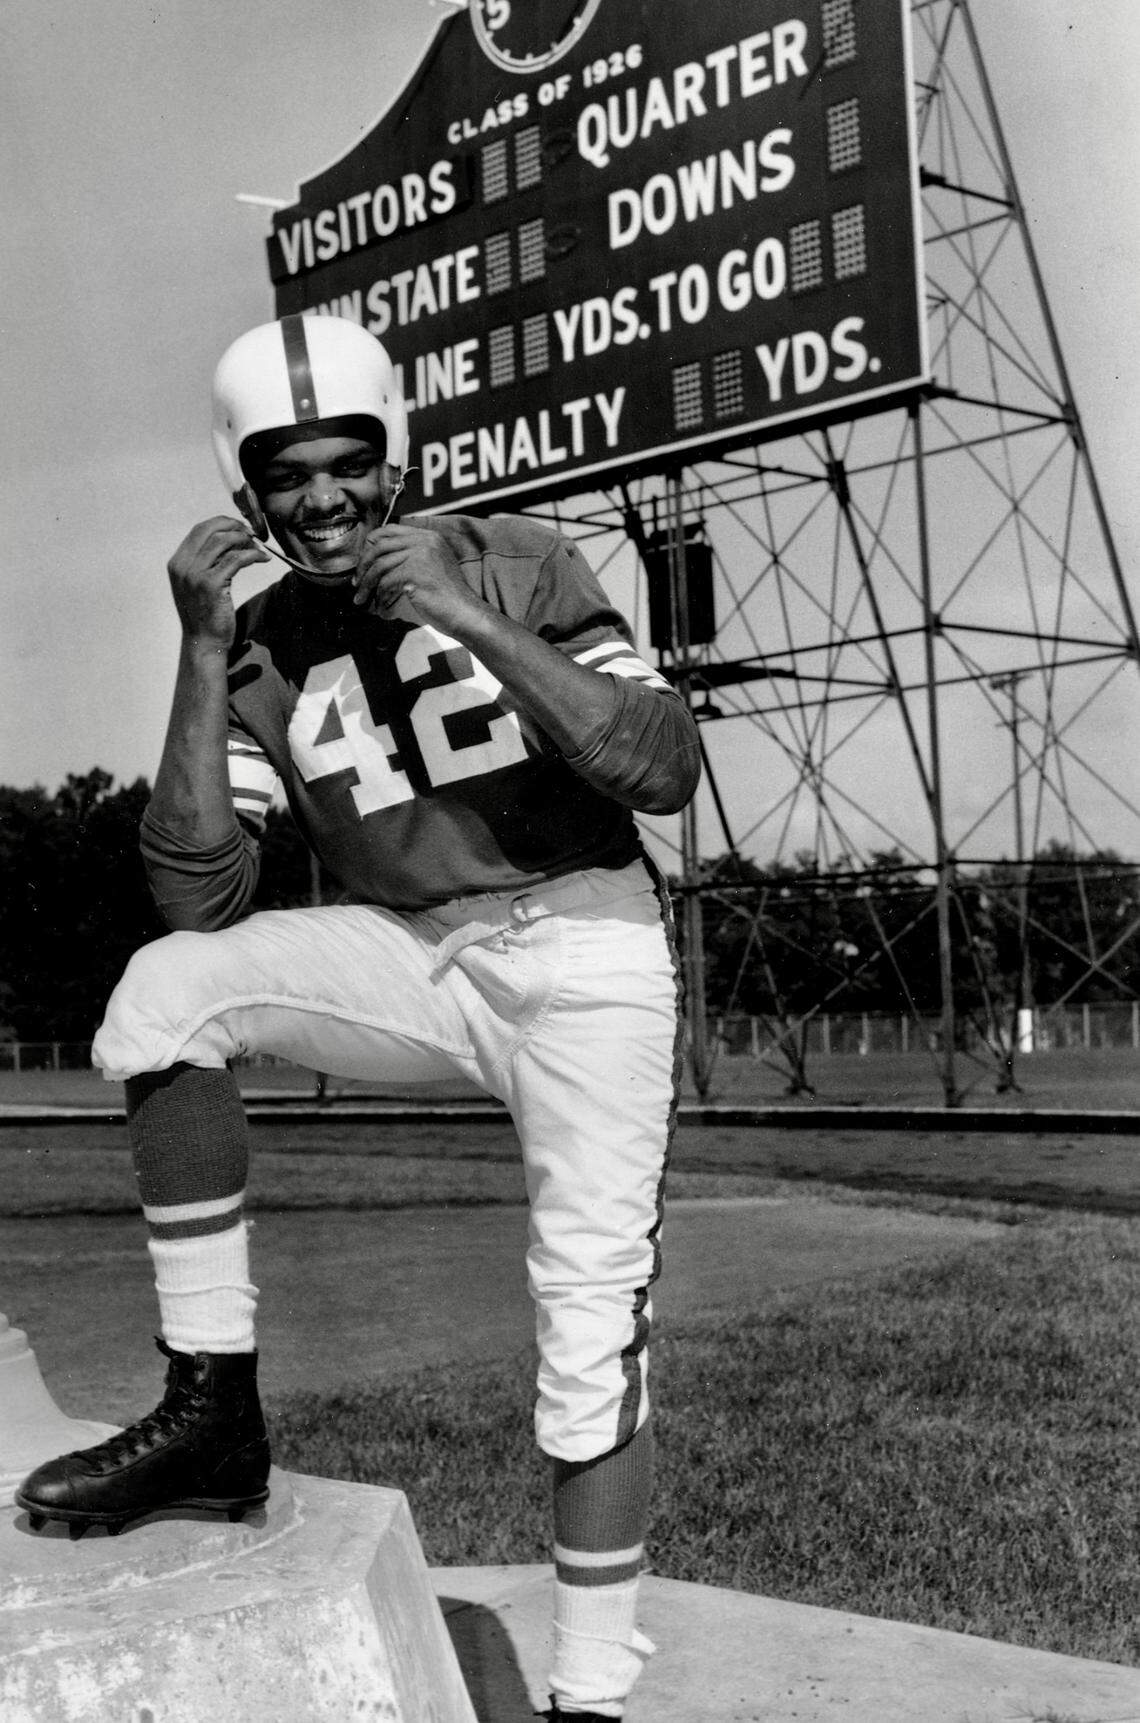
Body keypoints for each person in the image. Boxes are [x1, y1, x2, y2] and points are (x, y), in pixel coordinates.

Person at [17, 313, 701, 1722]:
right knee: (166, 996)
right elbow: (197, 895)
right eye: (288, 472)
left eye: (348, 464)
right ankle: (214, 1417)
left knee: (586, 1324)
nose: (322, 497)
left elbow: (661, 764)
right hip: (417, 954)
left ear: (395, 460)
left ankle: (588, 1689)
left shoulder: (516, 554)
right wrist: (204, 652)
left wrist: (461, 612)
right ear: (244, 482)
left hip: (587, 950)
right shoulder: (260, 632)